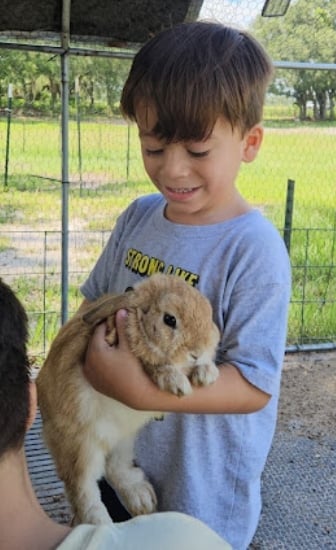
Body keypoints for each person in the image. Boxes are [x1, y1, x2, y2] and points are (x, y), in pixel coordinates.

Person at [81, 21, 291, 550]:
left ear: (250, 142)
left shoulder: (253, 249)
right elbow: (93, 304)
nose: (172, 170)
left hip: (199, 493)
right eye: (153, 147)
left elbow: (252, 385)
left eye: (197, 151)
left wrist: (137, 387)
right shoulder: (139, 217)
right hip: (120, 468)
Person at [0, 278, 231, 549]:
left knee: (121, 435)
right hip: (86, 412)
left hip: (126, 427)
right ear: (31, 401)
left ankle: (121, 471)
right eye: (169, 322)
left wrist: (200, 366)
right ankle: (88, 506)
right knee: (85, 447)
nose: (196, 350)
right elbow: (92, 318)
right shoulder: (189, 538)